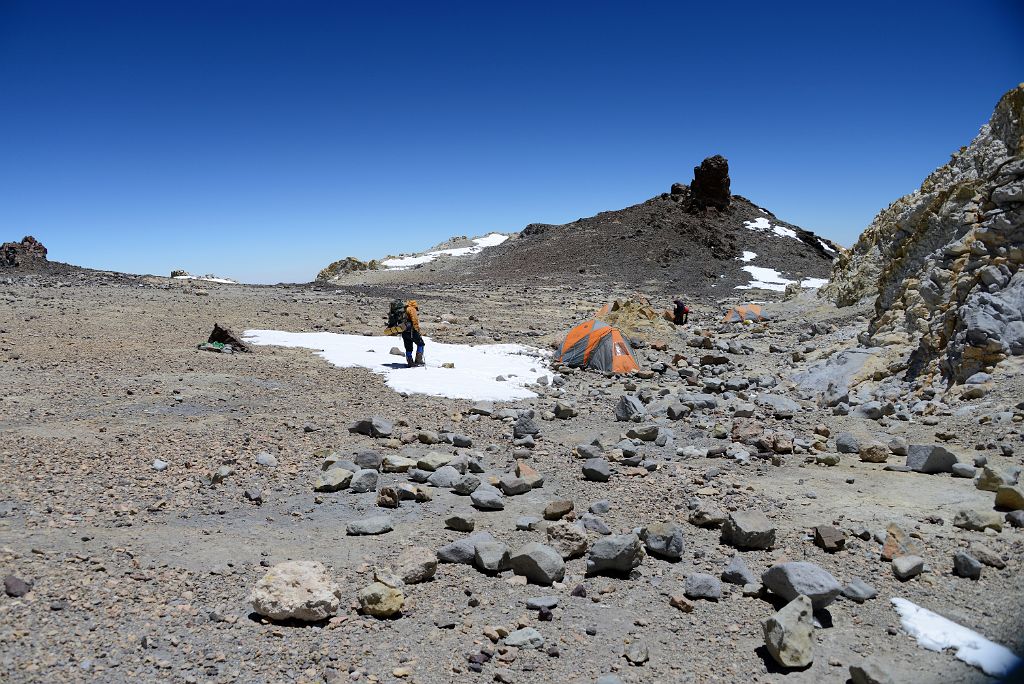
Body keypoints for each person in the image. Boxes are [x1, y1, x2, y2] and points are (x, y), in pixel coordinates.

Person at [401, 299, 425, 367]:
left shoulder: (404, 309)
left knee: (408, 347)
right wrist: (417, 329)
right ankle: (418, 360)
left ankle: (410, 362)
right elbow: (414, 320)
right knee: (421, 344)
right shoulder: (412, 309)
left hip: (404, 331)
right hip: (412, 331)